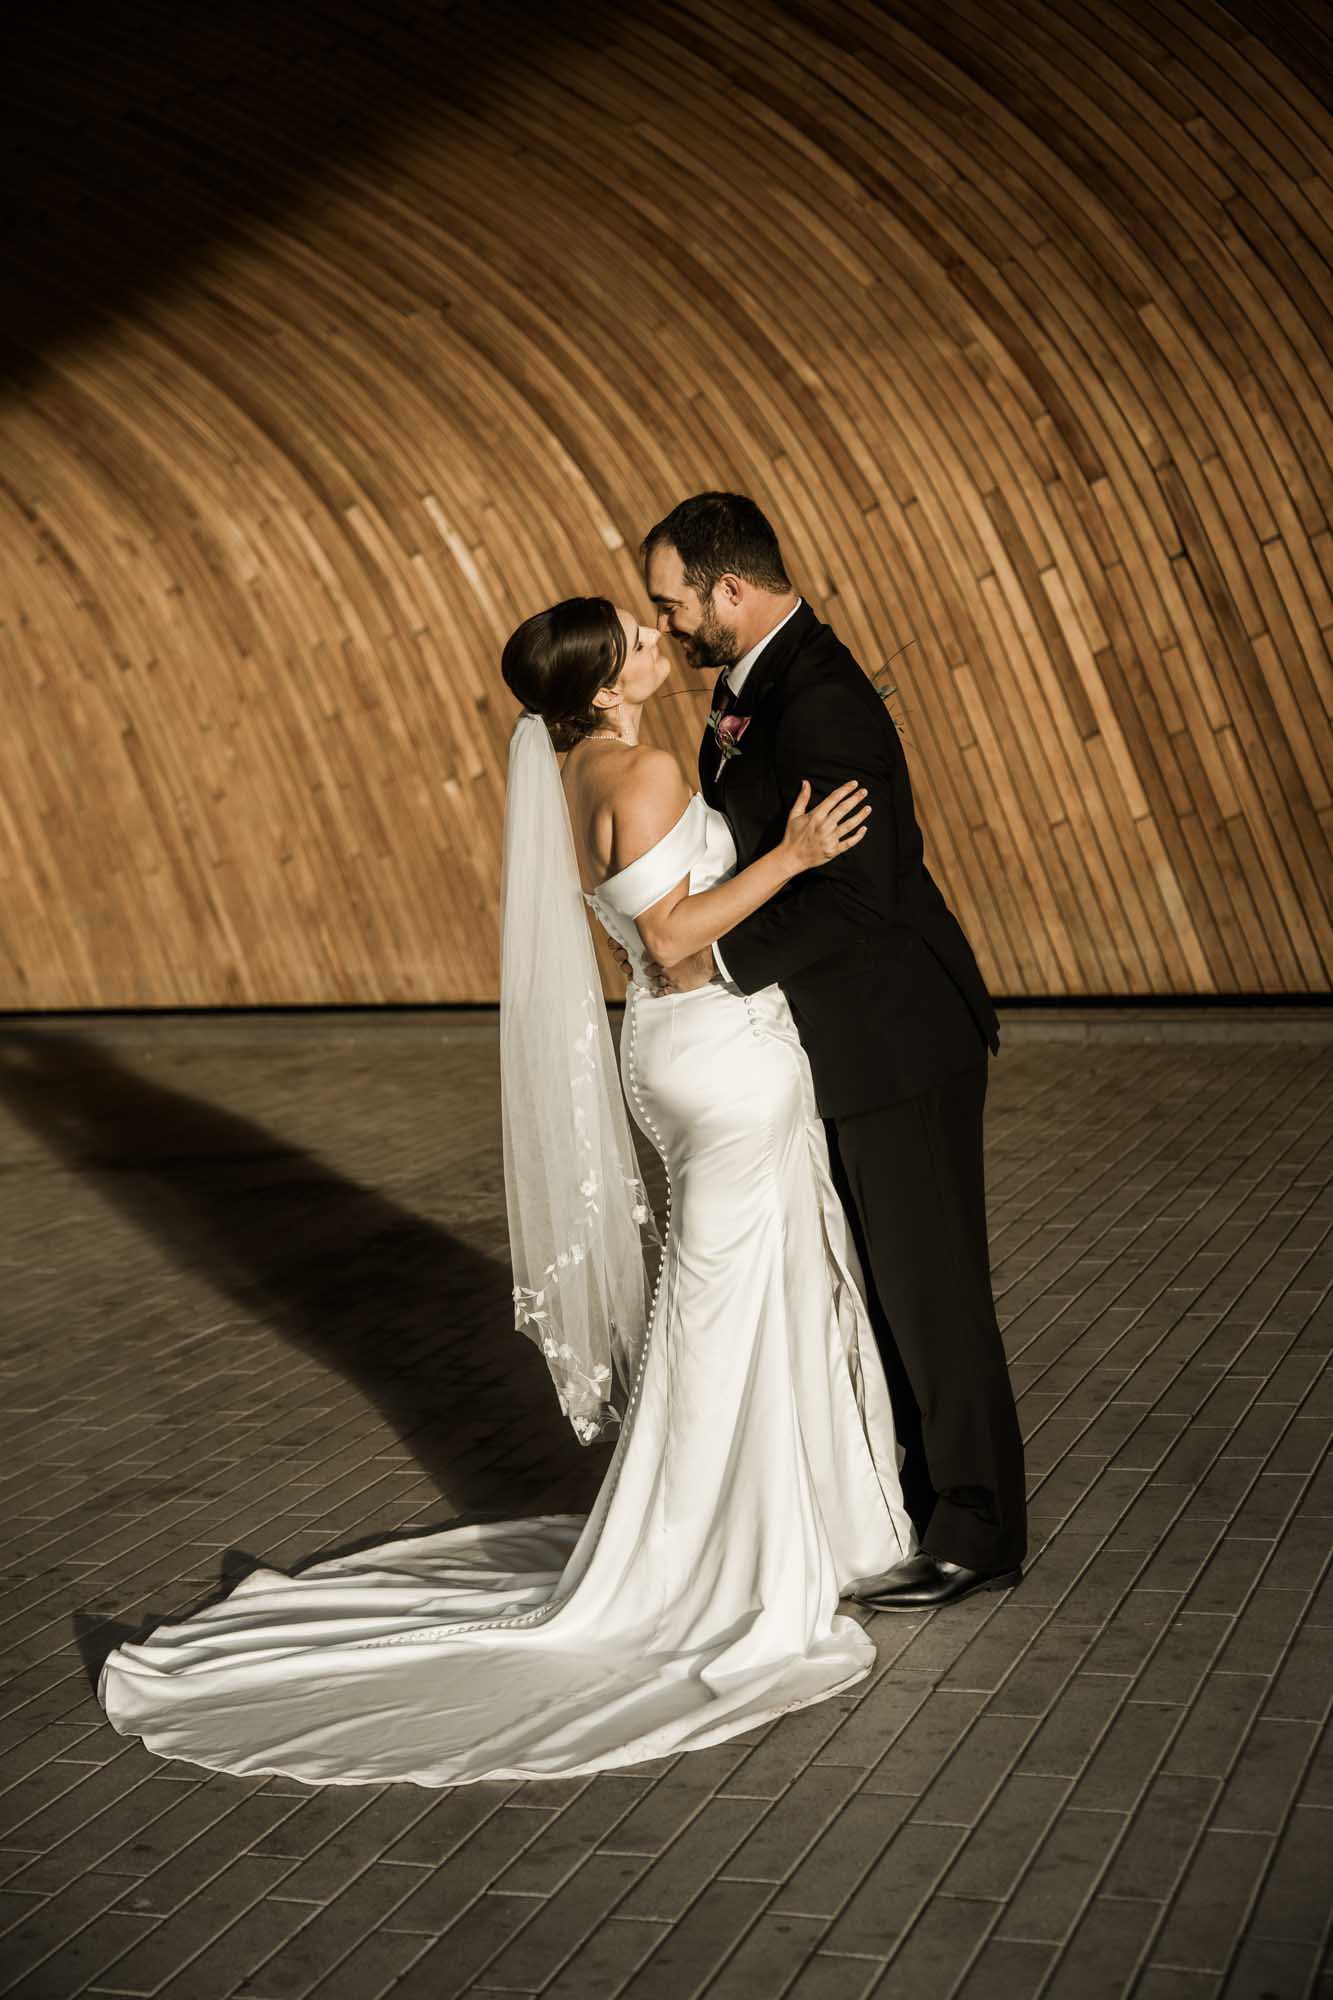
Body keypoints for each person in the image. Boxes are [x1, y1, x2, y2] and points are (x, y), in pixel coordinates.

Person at [96, 593, 917, 1787]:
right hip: (714, 1051)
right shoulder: (639, 772)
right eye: (638, 637)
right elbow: (676, 939)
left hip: (675, 1055)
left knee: (739, 1294)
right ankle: (704, 1561)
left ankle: (764, 1527)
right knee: (724, 1308)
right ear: (603, 680)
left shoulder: (583, 768)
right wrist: (792, 856)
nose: (658, 642)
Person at [640, 492, 1026, 1609]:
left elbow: (860, 895)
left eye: (671, 603)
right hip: (839, 1040)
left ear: (729, 588)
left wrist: (711, 960)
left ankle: (979, 1530)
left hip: (897, 1036)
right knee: (887, 1285)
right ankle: (915, 1502)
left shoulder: (822, 701)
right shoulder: (755, 686)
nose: (666, 625)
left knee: (932, 1289)